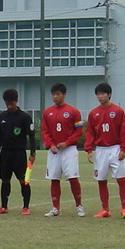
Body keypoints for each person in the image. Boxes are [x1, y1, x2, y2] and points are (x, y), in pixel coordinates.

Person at [84, 82, 125, 218]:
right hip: (101, 150)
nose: (100, 96)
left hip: (115, 148)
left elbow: (123, 131)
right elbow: (90, 132)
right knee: (101, 180)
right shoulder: (94, 113)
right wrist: (88, 149)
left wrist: (123, 148)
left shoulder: (118, 111)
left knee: (121, 179)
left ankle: (124, 209)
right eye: (98, 94)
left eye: (103, 94)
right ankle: (105, 209)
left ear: (109, 95)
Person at [41, 82, 85, 217]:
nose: (55, 97)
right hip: (54, 151)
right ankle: (56, 208)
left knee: (73, 177)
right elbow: (44, 131)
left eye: (58, 94)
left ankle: (79, 206)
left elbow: (79, 131)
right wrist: (50, 144)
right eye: (53, 94)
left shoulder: (73, 112)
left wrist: (67, 142)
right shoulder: (47, 112)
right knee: (54, 178)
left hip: (69, 150)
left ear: (64, 95)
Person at [0, 87, 36, 214]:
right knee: (5, 180)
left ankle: (26, 207)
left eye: (11, 103)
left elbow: (31, 135)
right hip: (5, 153)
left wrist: (33, 153)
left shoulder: (24, 117)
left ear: (16, 101)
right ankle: (4, 207)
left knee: (23, 180)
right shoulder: (2, 117)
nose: (9, 106)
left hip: (19, 153)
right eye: (7, 103)